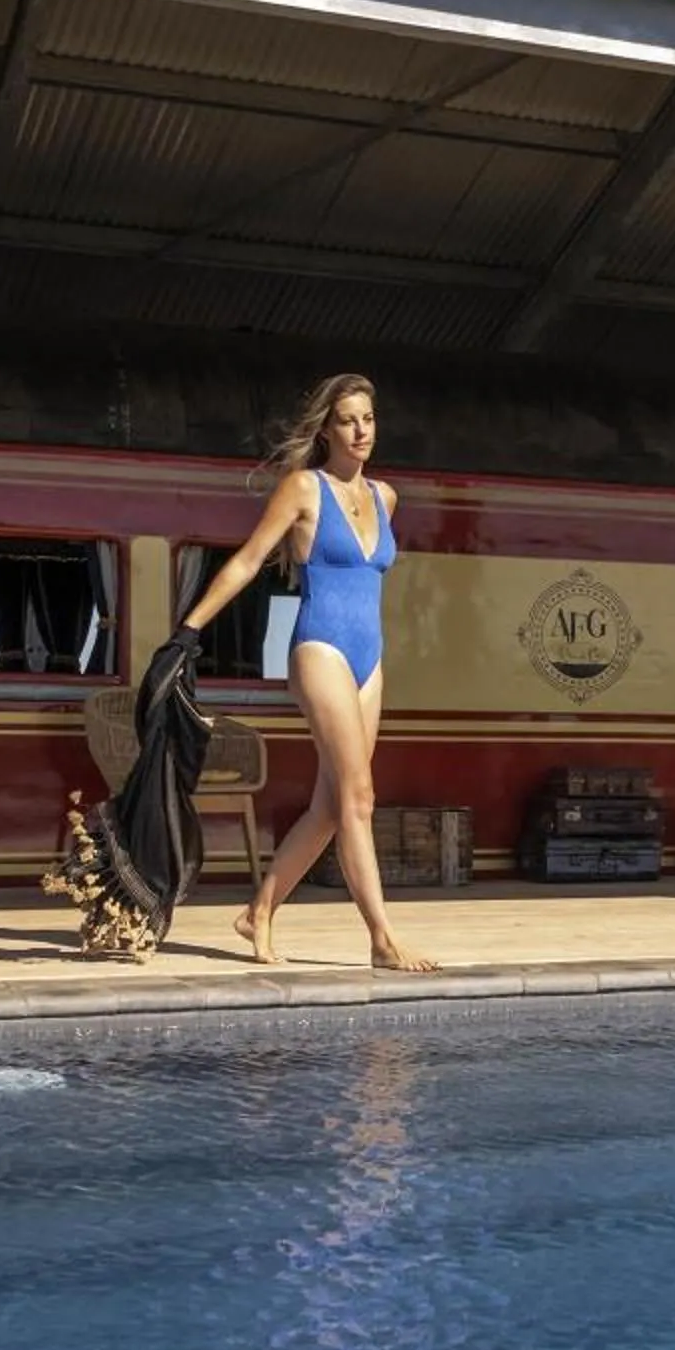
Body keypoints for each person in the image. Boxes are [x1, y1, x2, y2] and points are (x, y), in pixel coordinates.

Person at [176, 373, 435, 973]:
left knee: (331, 805)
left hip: (369, 657)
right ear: (326, 429)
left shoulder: (386, 498)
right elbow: (247, 561)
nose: (361, 430)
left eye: (368, 418)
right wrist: (189, 627)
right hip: (320, 649)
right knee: (360, 797)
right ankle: (382, 939)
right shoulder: (303, 488)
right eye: (347, 420)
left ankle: (259, 911)